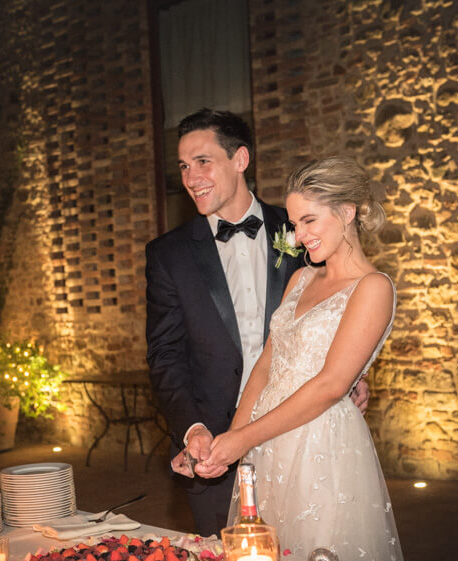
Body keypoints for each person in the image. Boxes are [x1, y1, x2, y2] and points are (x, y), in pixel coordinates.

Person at [145, 109, 368, 537]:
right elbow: (164, 354)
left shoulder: (303, 230)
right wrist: (193, 428)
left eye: (203, 162)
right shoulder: (168, 255)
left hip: (301, 433)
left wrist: (353, 370)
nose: (191, 178)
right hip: (213, 446)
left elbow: (343, 299)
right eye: (184, 167)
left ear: (240, 159)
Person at [192, 156, 404, 561]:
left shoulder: (373, 288)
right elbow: (266, 366)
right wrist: (231, 441)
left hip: (322, 447)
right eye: (294, 224)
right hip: (268, 445)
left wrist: (245, 436)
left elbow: (330, 385)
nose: (299, 235)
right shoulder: (301, 278)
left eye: (309, 221)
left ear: (346, 213)